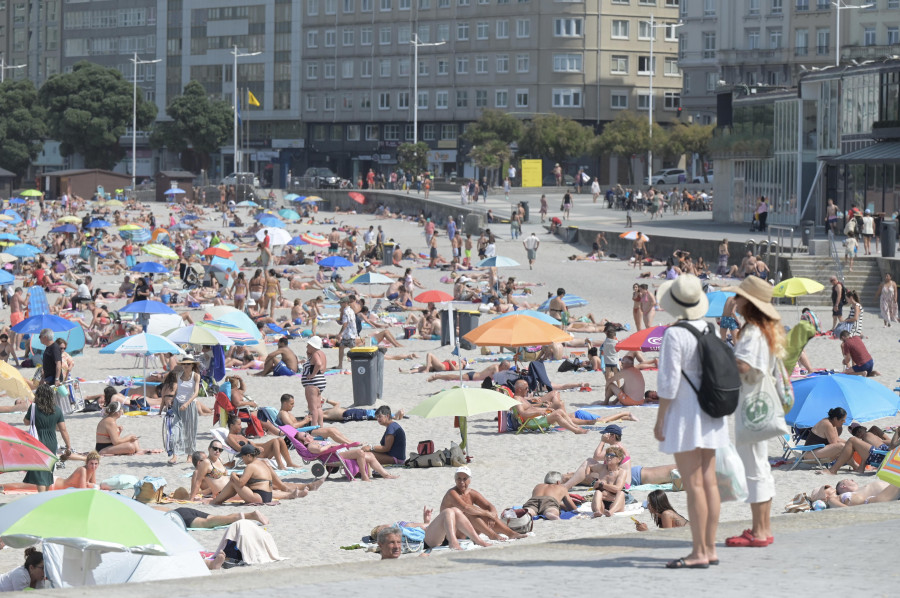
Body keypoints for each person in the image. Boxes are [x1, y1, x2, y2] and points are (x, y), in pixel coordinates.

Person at [654, 275, 727, 568]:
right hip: (712, 412)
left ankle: (698, 552)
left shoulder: (675, 334)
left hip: (686, 415)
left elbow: (669, 384)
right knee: (709, 482)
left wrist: (660, 420)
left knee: (693, 484)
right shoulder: (710, 328)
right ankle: (709, 548)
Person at [723, 276, 783, 548]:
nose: (736, 300)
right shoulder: (764, 329)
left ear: (749, 302)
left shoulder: (753, 331)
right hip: (759, 405)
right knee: (760, 465)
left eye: (739, 297)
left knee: (755, 466)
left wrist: (721, 360)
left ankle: (759, 531)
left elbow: (744, 366)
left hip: (751, 406)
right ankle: (763, 528)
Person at [439, 466, 526, 541]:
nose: (461, 482)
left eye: (464, 479)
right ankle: (492, 535)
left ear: (469, 480)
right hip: (452, 534)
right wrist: (488, 513)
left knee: (482, 513)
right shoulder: (452, 493)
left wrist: (492, 515)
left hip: (469, 532)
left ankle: (511, 533)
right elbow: (466, 507)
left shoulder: (471, 493)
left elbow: (489, 505)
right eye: (459, 478)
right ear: (455, 480)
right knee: (469, 513)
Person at [371, 506, 491, 554]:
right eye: (382, 531)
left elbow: (422, 526)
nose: (386, 528)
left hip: (431, 534)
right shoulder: (394, 534)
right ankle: (453, 542)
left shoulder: (399, 524)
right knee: (448, 512)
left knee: (455, 510)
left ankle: (478, 540)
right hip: (426, 541)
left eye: (383, 526)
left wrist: (427, 521)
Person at [212, 445, 304, 504]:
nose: (242, 460)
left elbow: (240, 484)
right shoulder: (262, 463)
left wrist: (233, 475)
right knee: (235, 481)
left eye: (243, 457)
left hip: (259, 497)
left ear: (248, 456)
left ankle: (216, 501)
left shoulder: (250, 466)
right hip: (268, 496)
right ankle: (218, 499)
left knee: (233, 482)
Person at [293, 430, 399, 481]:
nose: (308, 434)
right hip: (335, 456)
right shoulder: (311, 445)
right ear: (304, 442)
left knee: (370, 455)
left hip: (338, 452)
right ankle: (364, 476)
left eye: (306, 432)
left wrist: (333, 445)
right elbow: (320, 450)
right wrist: (330, 446)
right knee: (359, 452)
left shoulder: (316, 441)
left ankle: (386, 475)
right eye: (305, 435)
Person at [22, 384, 71, 491]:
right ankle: (46, 496)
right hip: (52, 442)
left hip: (38, 441)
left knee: (40, 472)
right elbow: (63, 429)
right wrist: (68, 445)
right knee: (49, 470)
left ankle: (42, 496)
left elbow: (26, 422)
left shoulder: (34, 407)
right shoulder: (57, 410)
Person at [225, 414, 297, 470]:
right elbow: (240, 449)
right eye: (239, 424)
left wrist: (262, 445)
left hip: (257, 450)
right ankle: (280, 465)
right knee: (275, 441)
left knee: (280, 440)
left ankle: (289, 463)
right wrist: (256, 449)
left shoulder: (240, 436)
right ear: (231, 426)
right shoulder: (230, 437)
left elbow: (253, 444)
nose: (241, 426)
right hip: (253, 454)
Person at [165, 357, 201, 464]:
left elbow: (196, 393)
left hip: (189, 405)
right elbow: (178, 390)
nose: (186, 366)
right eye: (184, 364)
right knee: (175, 429)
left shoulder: (196, 376)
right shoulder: (178, 375)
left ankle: (190, 455)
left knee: (190, 431)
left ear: (193, 365)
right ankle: (175, 455)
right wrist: (172, 399)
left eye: (189, 364)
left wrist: (186, 403)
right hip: (177, 404)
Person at [825, 424, 900, 475]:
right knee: (859, 440)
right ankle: (860, 468)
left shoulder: (868, 434)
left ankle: (833, 470)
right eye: (855, 433)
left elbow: (891, 445)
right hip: (883, 455)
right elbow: (890, 445)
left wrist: (897, 432)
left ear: (864, 428)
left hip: (883, 456)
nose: (858, 433)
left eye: (858, 430)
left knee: (852, 440)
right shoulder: (867, 435)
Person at [589, 446, 629, 517]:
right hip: (602, 502)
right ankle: (598, 511)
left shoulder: (621, 472)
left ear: (619, 459)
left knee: (621, 493)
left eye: (612, 455)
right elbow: (589, 467)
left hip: (614, 503)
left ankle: (611, 512)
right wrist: (590, 479)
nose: (608, 457)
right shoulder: (601, 467)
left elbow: (617, 489)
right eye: (607, 455)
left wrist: (601, 484)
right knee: (598, 492)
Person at [301, 335, 327, 427]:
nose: (306, 347)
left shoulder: (315, 354)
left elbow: (319, 364)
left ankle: (314, 427)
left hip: (312, 383)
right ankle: (320, 426)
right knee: (318, 407)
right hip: (320, 381)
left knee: (312, 408)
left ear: (313, 346)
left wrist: (312, 374)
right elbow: (323, 367)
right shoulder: (321, 353)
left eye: (308, 345)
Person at [337, 296, 358, 369]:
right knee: (342, 348)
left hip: (348, 334)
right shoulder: (351, 310)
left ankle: (341, 365)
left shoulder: (346, 311)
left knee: (353, 350)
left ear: (346, 303)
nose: (340, 304)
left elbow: (345, 324)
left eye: (341, 303)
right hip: (352, 333)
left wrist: (339, 334)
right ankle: (340, 365)